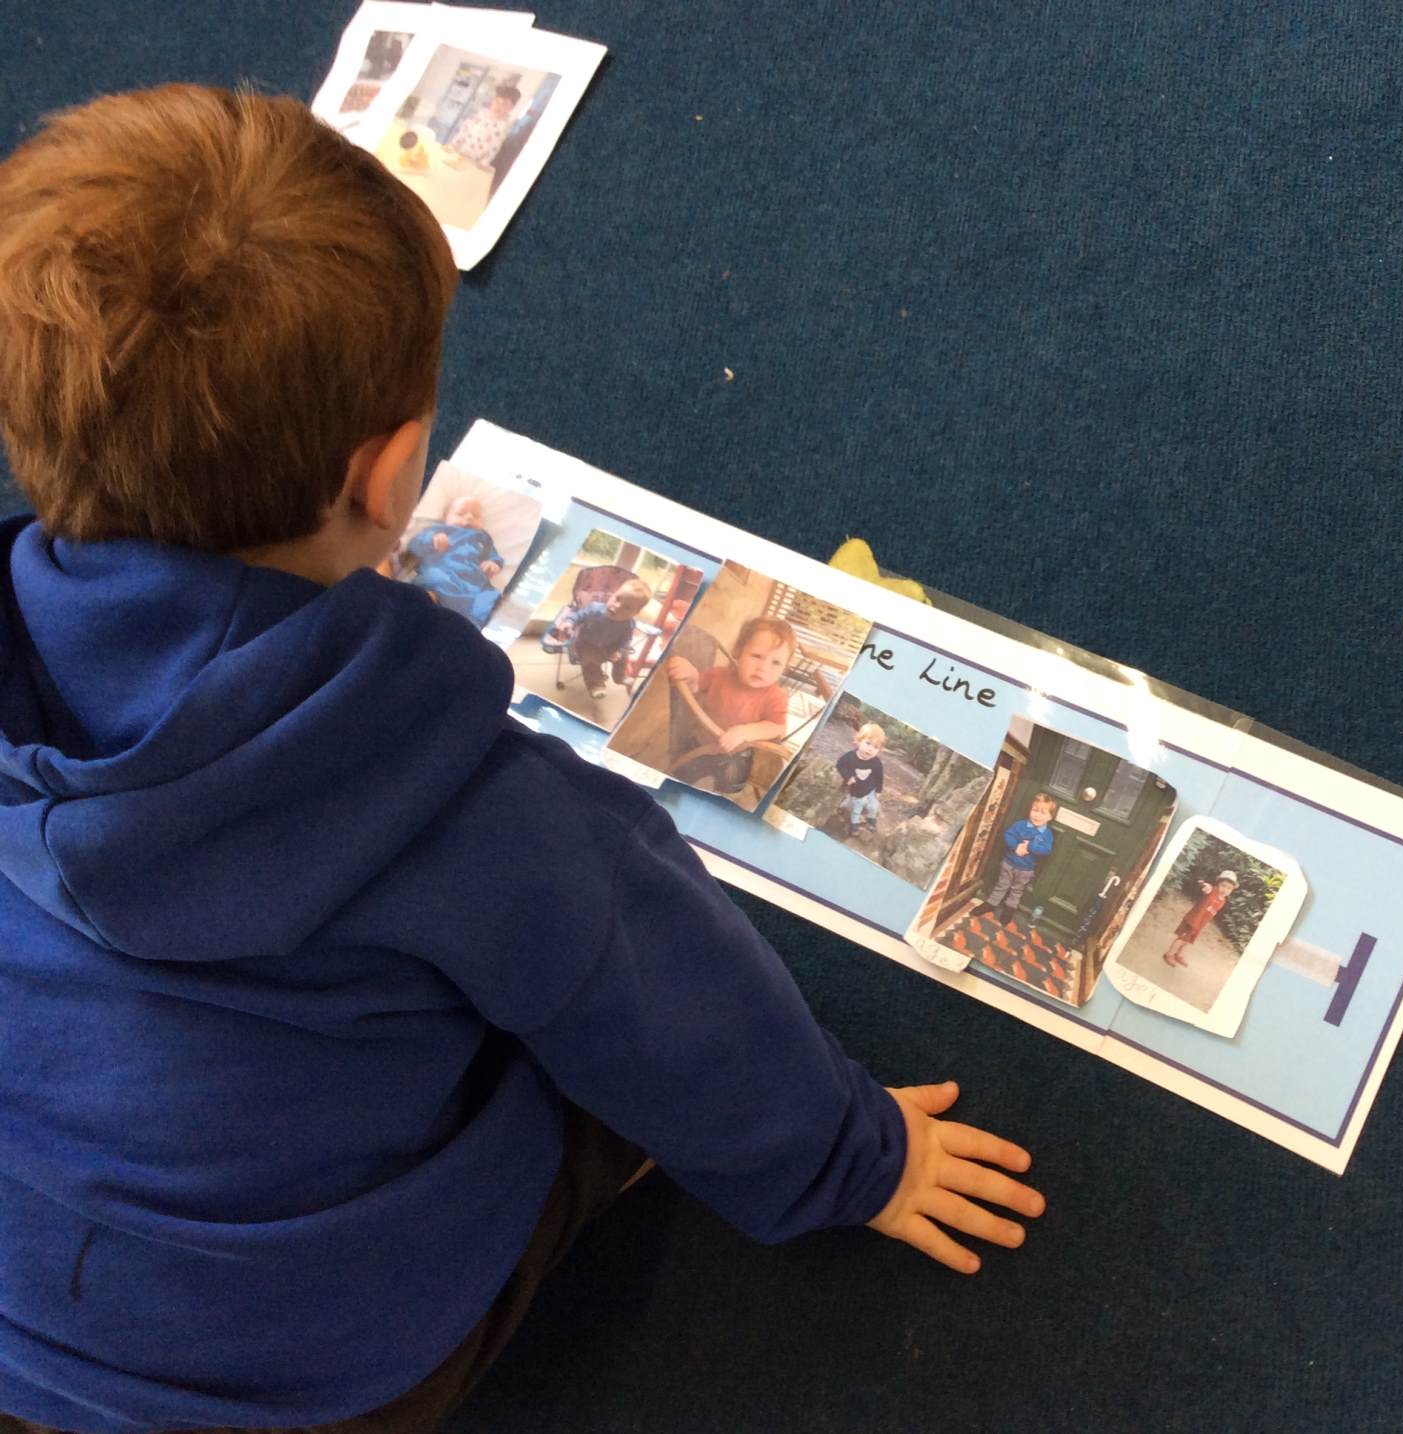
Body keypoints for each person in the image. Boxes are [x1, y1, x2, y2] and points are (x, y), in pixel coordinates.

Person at [0, 85, 1042, 1434]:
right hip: (290, 1375)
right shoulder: (477, 807)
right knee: (584, 1069)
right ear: (388, 480)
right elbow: (683, 1015)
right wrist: (858, 1157)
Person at [663, 615, 796, 756]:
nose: (763, 668)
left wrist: (744, 732)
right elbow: (696, 685)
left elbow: (777, 727)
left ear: (784, 668)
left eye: (776, 663)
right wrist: (691, 674)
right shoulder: (719, 675)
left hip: (735, 753)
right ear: (738, 651)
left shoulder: (776, 696)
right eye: (757, 656)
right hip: (698, 744)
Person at [401, 493, 506, 623]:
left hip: (474, 583)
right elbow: (414, 546)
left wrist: (493, 564)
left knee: (491, 597)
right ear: (446, 517)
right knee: (433, 580)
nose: (469, 517)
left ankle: (469, 624)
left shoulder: (483, 537)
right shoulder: (438, 530)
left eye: (475, 515)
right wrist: (431, 540)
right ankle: (428, 610)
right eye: (460, 513)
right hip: (443, 572)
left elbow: (493, 555)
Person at [565, 576, 655, 700]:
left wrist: (619, 651)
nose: (617, 606)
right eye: (617, 598)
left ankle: (619, 677)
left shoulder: (628, 624)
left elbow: (626, 640)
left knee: (624, 656)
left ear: (635, 613)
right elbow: (578, 615)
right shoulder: (595, 609)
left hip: (611, 647)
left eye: (627, 607)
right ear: (612, 595)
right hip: (587, 644)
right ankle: (596, 685)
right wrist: (569, 622)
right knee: (590, 661)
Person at [978, 793, 1058, 923]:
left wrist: (1030, 846)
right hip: (1009, 863)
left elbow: (1046, 850)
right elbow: (1008, 835)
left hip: (1026, 869)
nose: (1037, 815)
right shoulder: (1020, 825)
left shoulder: (1047, 834)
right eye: (1035, 810)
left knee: (1017, 890)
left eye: (1042, 813)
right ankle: (990, 904)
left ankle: (1009, 909)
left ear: (1050, 817)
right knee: (1001, 884)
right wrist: (1016, 847)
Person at [1164, 870, 1238, 968]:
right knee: (1182, 939)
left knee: (1188, 941)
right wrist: (1204, 885)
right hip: (1192, 920)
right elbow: (1207, 888)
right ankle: (1169, 954)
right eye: (1223, 885)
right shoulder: (1212, 891)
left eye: (1229, 888)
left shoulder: (1223, 900)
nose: (1225, 889)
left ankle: (1178, 954)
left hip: (1199, 924)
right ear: (1218, 884)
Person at [447, 83, 520, 169]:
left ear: (511, 108)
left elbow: (494, 148)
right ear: (493, 101)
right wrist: (452, 146)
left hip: (475, 163)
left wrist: (484, 164)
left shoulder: (503, 127)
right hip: (459, 152)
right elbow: (463, 131)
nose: (499, 106)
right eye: (497, 101)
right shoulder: (480, 114)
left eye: (505, 104)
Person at [836, 722, 888, 832]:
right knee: (856, 808)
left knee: (874, 807)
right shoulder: (850, 757)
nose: (870, 749)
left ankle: (871, 820)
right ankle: (853, 825)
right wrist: (848, 776)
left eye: (875, 747)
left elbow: (879, 777)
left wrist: (878, 790)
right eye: (868, 743)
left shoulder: (876, 763)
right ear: (859, 741)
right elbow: (840, 765)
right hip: (856, 791)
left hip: (870, 790)